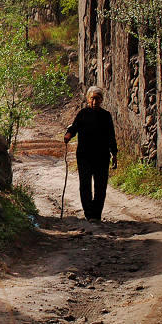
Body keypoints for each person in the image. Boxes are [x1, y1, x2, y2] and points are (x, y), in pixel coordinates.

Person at [63, 86, 118, 222]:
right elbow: (74, 127)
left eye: (97, 99)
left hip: (102, 156)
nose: (94, 102)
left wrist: (114, 153)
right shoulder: (82, 114)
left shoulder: (106, 116)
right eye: (92, 99)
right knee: (85, 185)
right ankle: (89, 214)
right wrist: (68, 135)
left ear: (101, 100)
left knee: (101, 186)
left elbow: (111, 135)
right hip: (84, 156)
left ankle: (96, 214)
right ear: (88, 99)